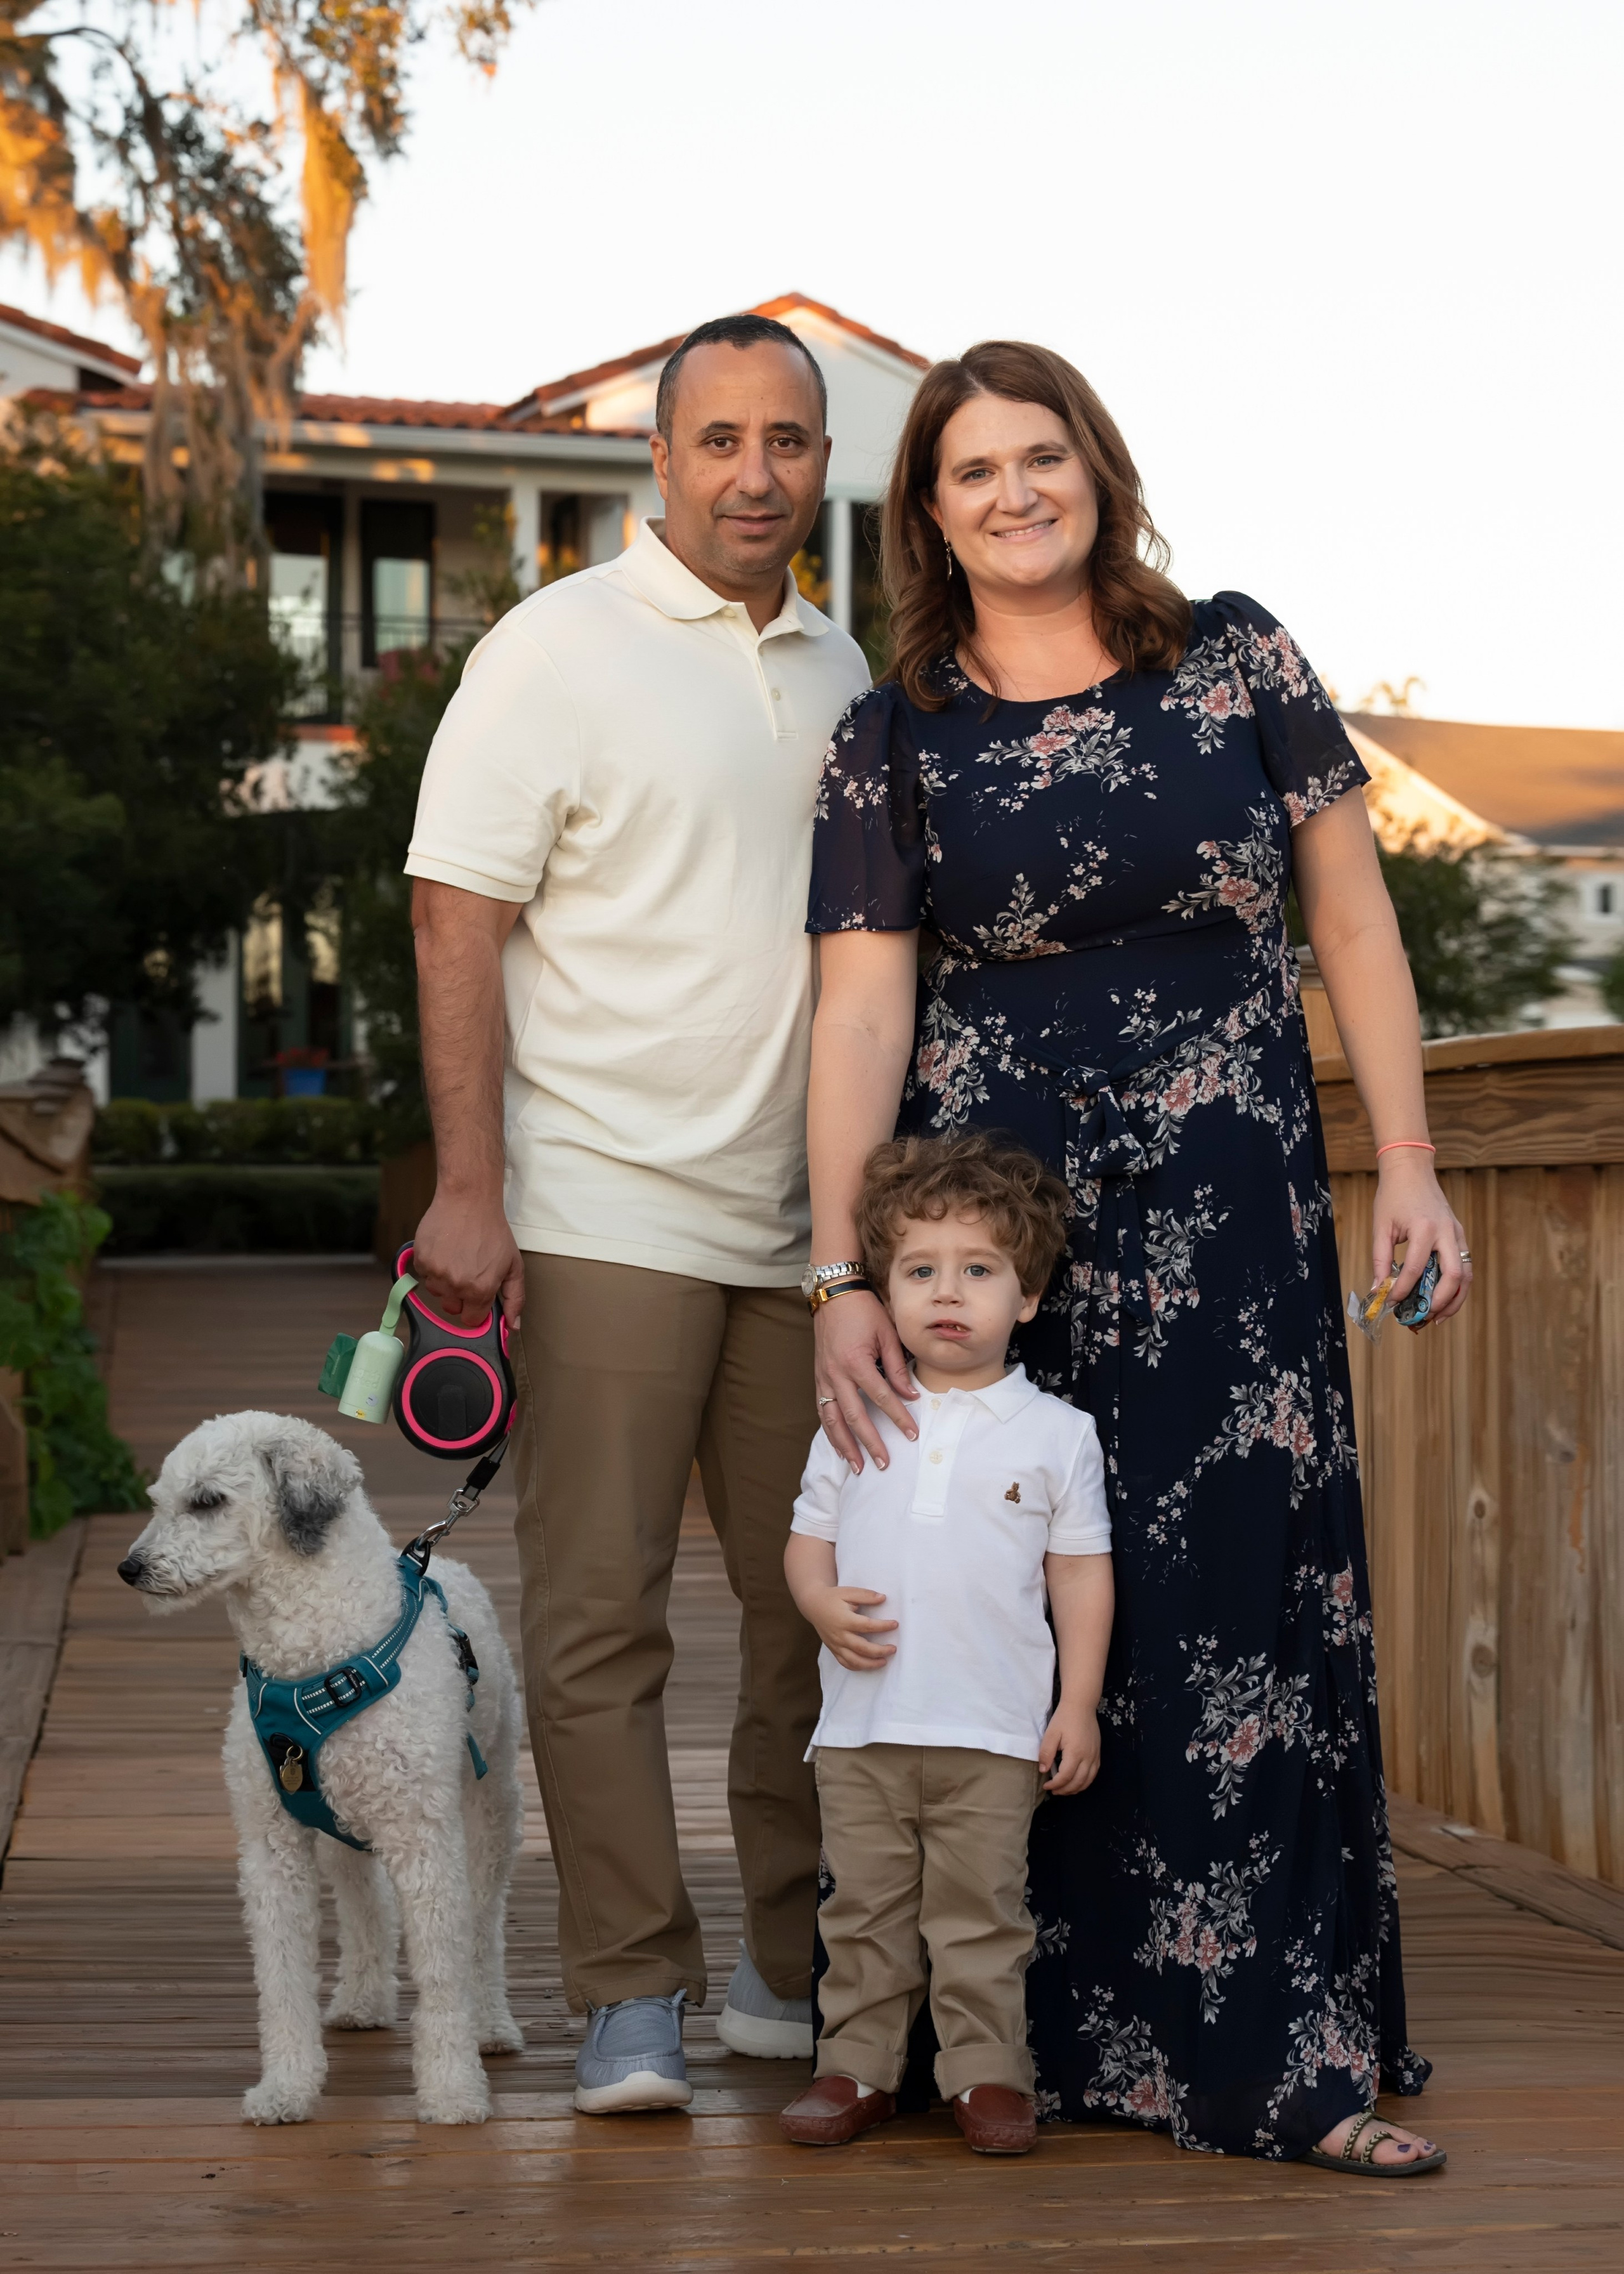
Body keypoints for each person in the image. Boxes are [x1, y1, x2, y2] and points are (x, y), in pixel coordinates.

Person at [802, 339, 1465, 2173]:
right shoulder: (896, 730)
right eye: (971, 472)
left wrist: (1406, 1159)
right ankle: (1006, 2034)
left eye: (1042, 457)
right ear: (926, 514)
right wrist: (842, 1276)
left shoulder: (1236, 653)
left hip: (1234, 1203)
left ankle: (1280, 2056)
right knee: (995, 1594)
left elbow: (1354, 920)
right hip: (990, 1235)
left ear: (1098, 466)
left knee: (1236, 1604)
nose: (1014, 493)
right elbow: (858, 1021)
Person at [403, 313, 870, 2114]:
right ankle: (627, 1994)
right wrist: (471, 1183)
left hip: (805, 1231)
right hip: (604, 1201)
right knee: (600, 1617)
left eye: (790, 441)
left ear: (822, 464)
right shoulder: (555, 650)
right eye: (721, 440)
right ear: (658, 461)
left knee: (809, 1610)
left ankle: (783, 1966)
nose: (757, 473)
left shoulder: (846, 669)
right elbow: (457, 912)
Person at [778, 1133, 1114, 2157]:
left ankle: (985, 2075)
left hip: (993, 1730)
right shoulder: (857, 1411)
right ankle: (857, 2067)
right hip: (864, 1726)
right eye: (919, 1271)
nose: (946, 1291)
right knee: (865, 1914)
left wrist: (1078, 1702)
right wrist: (821, 1607)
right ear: (884, 1288)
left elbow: (1079, 1574)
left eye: (978, 1269)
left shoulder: (1056, 1433)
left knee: (981, 1918)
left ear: (1028, 1296)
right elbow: (807, 1544)